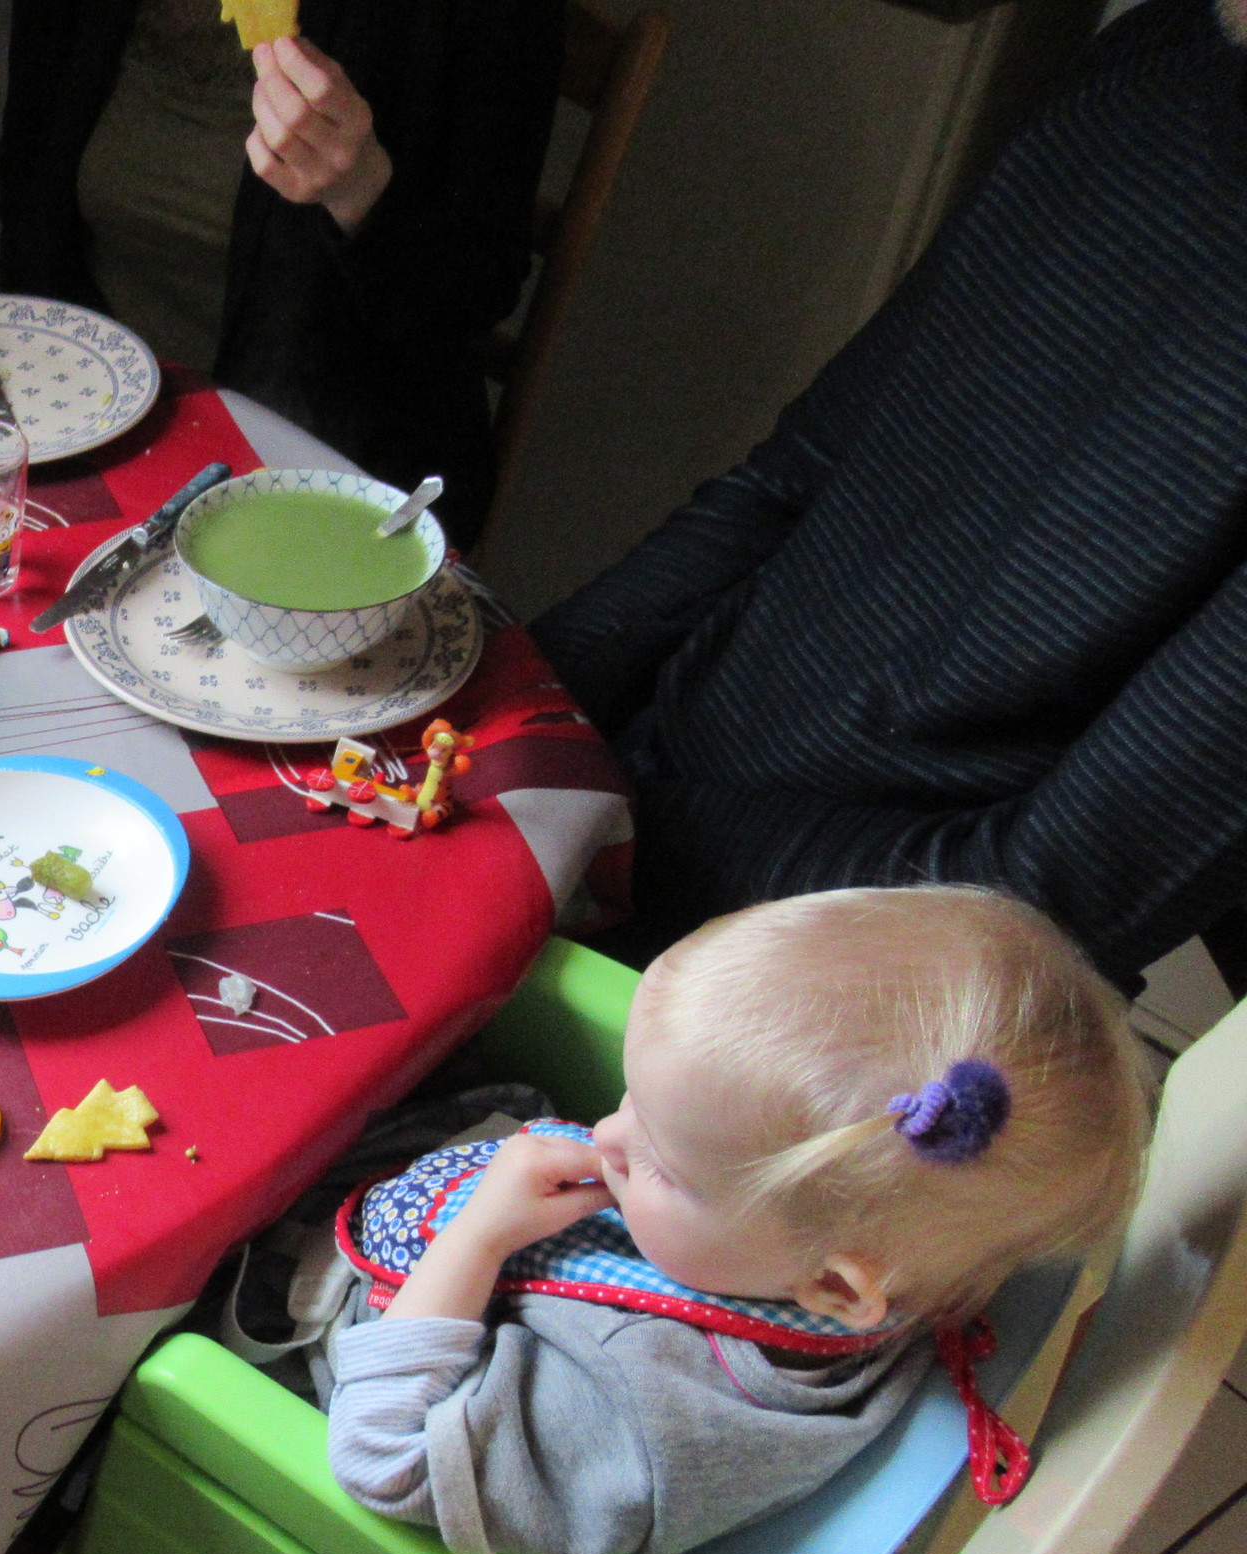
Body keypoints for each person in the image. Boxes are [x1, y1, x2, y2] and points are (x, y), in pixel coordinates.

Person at [531, 0, 1247, 991]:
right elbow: (792, 477)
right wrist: (516, 707)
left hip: (817, 987)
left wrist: (602, 821)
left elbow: (1035, 902)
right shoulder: (1161, 59)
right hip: (621, 806)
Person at [322, 887, 1149, 1554]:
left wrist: (474, 1239)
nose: (608, 1134)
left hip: (322, 1343)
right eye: (632, 1098)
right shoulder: (856, 1248)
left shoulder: (640, 1434)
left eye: (663, 1163)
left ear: (834, 1288)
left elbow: (381, 1459)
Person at [0, 0, 564, 547]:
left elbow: (477, 285)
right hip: (82, 446)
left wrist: (363, 192)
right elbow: (30, 209)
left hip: (330, 497)